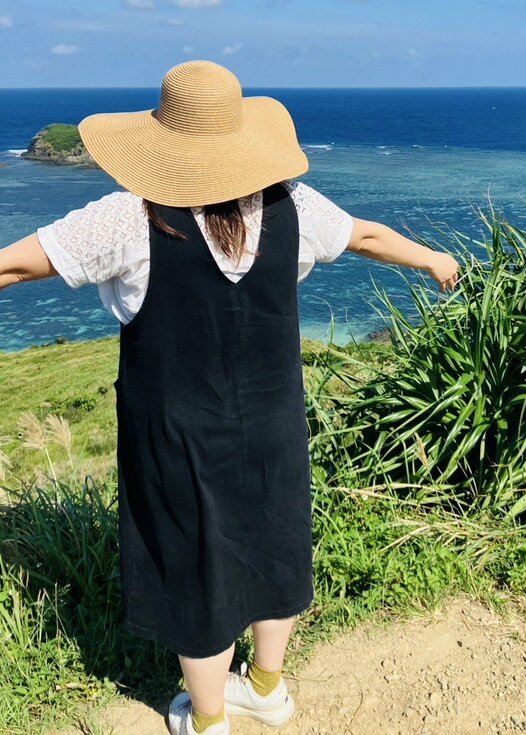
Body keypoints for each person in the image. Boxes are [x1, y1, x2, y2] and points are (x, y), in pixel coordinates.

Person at [0, 61, 460, 735]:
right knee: (275, 546)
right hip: (272, 418)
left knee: (195, 569)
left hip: (177, 433)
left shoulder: (132, 216)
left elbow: (13, 263)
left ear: (162, 138)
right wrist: (431, 259)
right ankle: (267, 689)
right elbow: (364, 235)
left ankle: (209, 719)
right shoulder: (292, 204)